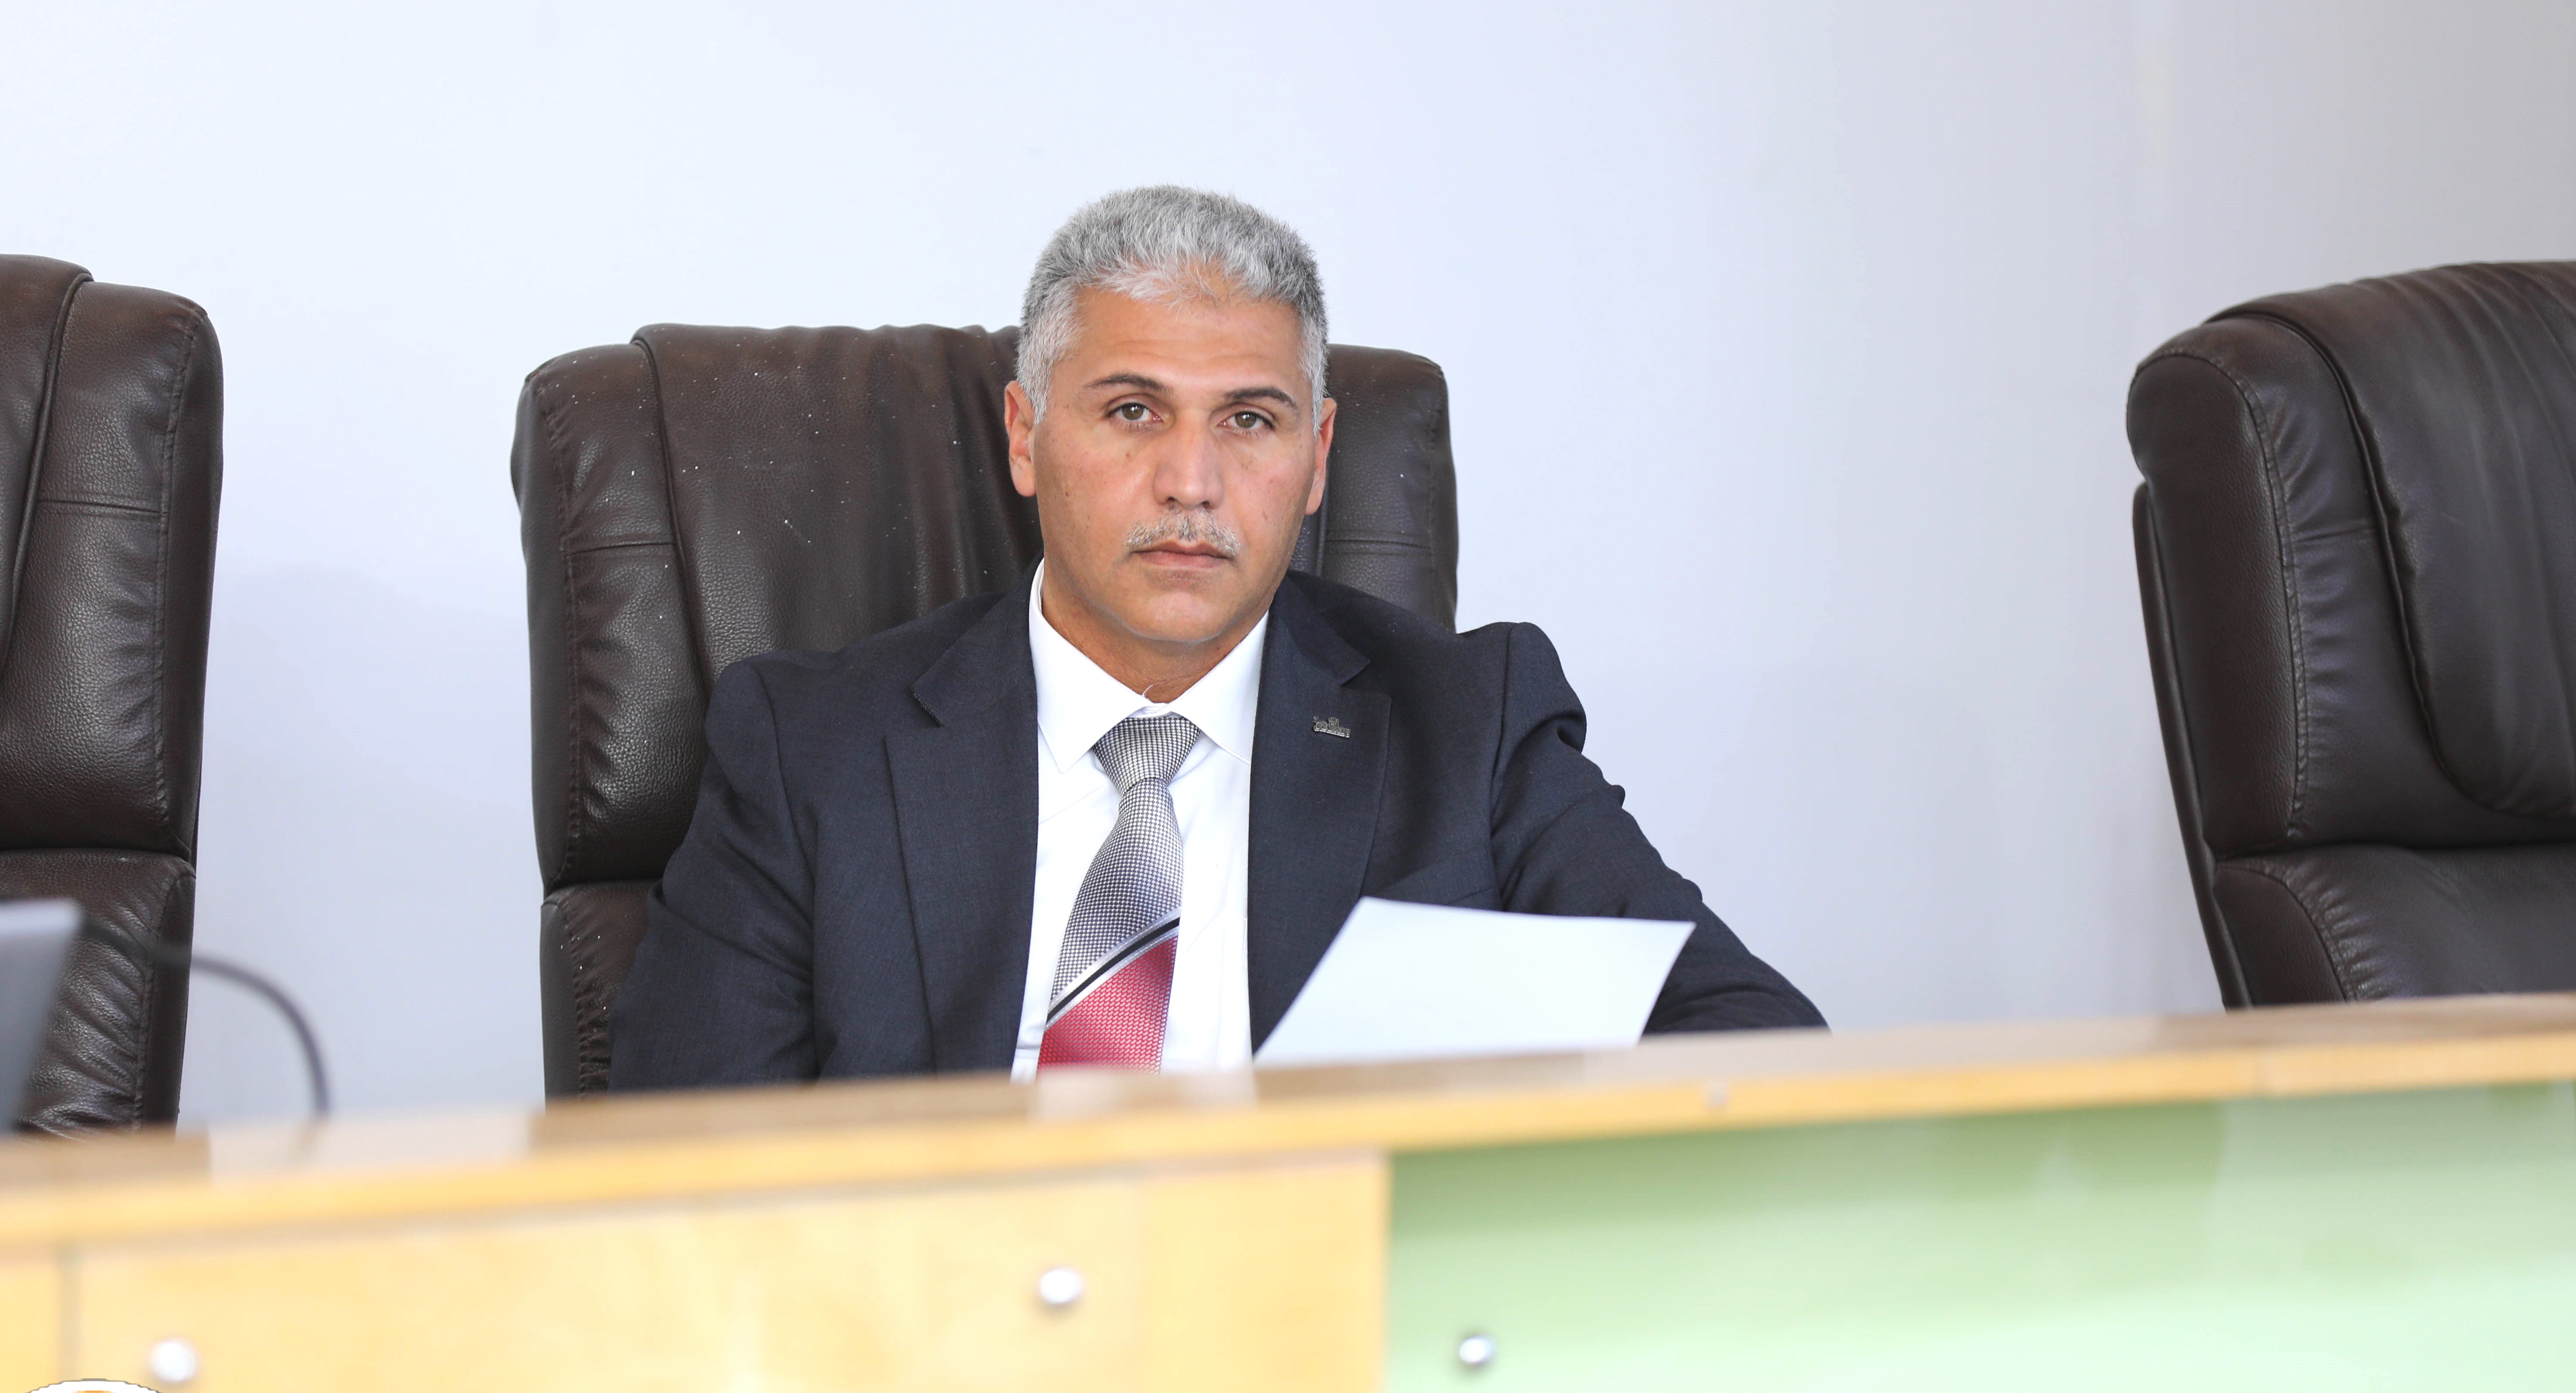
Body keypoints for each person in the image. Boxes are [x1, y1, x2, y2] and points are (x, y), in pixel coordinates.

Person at [608, 186, 1818, 1088]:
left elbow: (1750, 1042)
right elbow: (678, 1164)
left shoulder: (1469, 726)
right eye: (1133, 411)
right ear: (1025, 437)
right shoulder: (812, 749)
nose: (1191, 482)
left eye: (1249, 421)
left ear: (1318, 460)